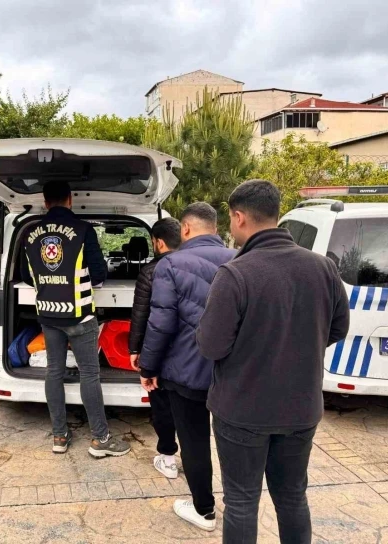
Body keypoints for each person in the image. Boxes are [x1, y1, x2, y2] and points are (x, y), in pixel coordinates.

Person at [196, 180, 350, 544]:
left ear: (239, 217)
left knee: (241, 501)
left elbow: (212, 346)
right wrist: (299, 348)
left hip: (242, 410)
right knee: (293, 496)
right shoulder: (323, 268)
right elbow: (338, 328)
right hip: (301, 407)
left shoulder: (235, 273)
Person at [139, 202, 237, 531]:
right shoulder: (241, 259)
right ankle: (239, 508)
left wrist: (148, 368)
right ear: (216, 227)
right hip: (232, 372)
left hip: (186, 373)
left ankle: (204, 510)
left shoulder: (170, 264)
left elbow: (160, 325)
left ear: (185, 229)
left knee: (194, 441)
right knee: (233, 442)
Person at [22, 180, 130, 458]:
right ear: (70, 199)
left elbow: (26, 275)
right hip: (80, 316)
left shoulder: (30, 232)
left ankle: (59, 436)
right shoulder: (83, 230)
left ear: (45, 202)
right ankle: (100, 439)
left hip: (48, 314)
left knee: (54, 373)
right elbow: (99, 273)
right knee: (89, 374)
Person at [128, 218, 182, 479]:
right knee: (189, 409)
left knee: (161, 405)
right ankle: (193, 460)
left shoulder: (150, 271)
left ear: (158, 242)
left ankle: (168, 458)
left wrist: (135, 350)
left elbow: (141, 315)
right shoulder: (195, 265)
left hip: (159, 350)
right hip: (190, 352)